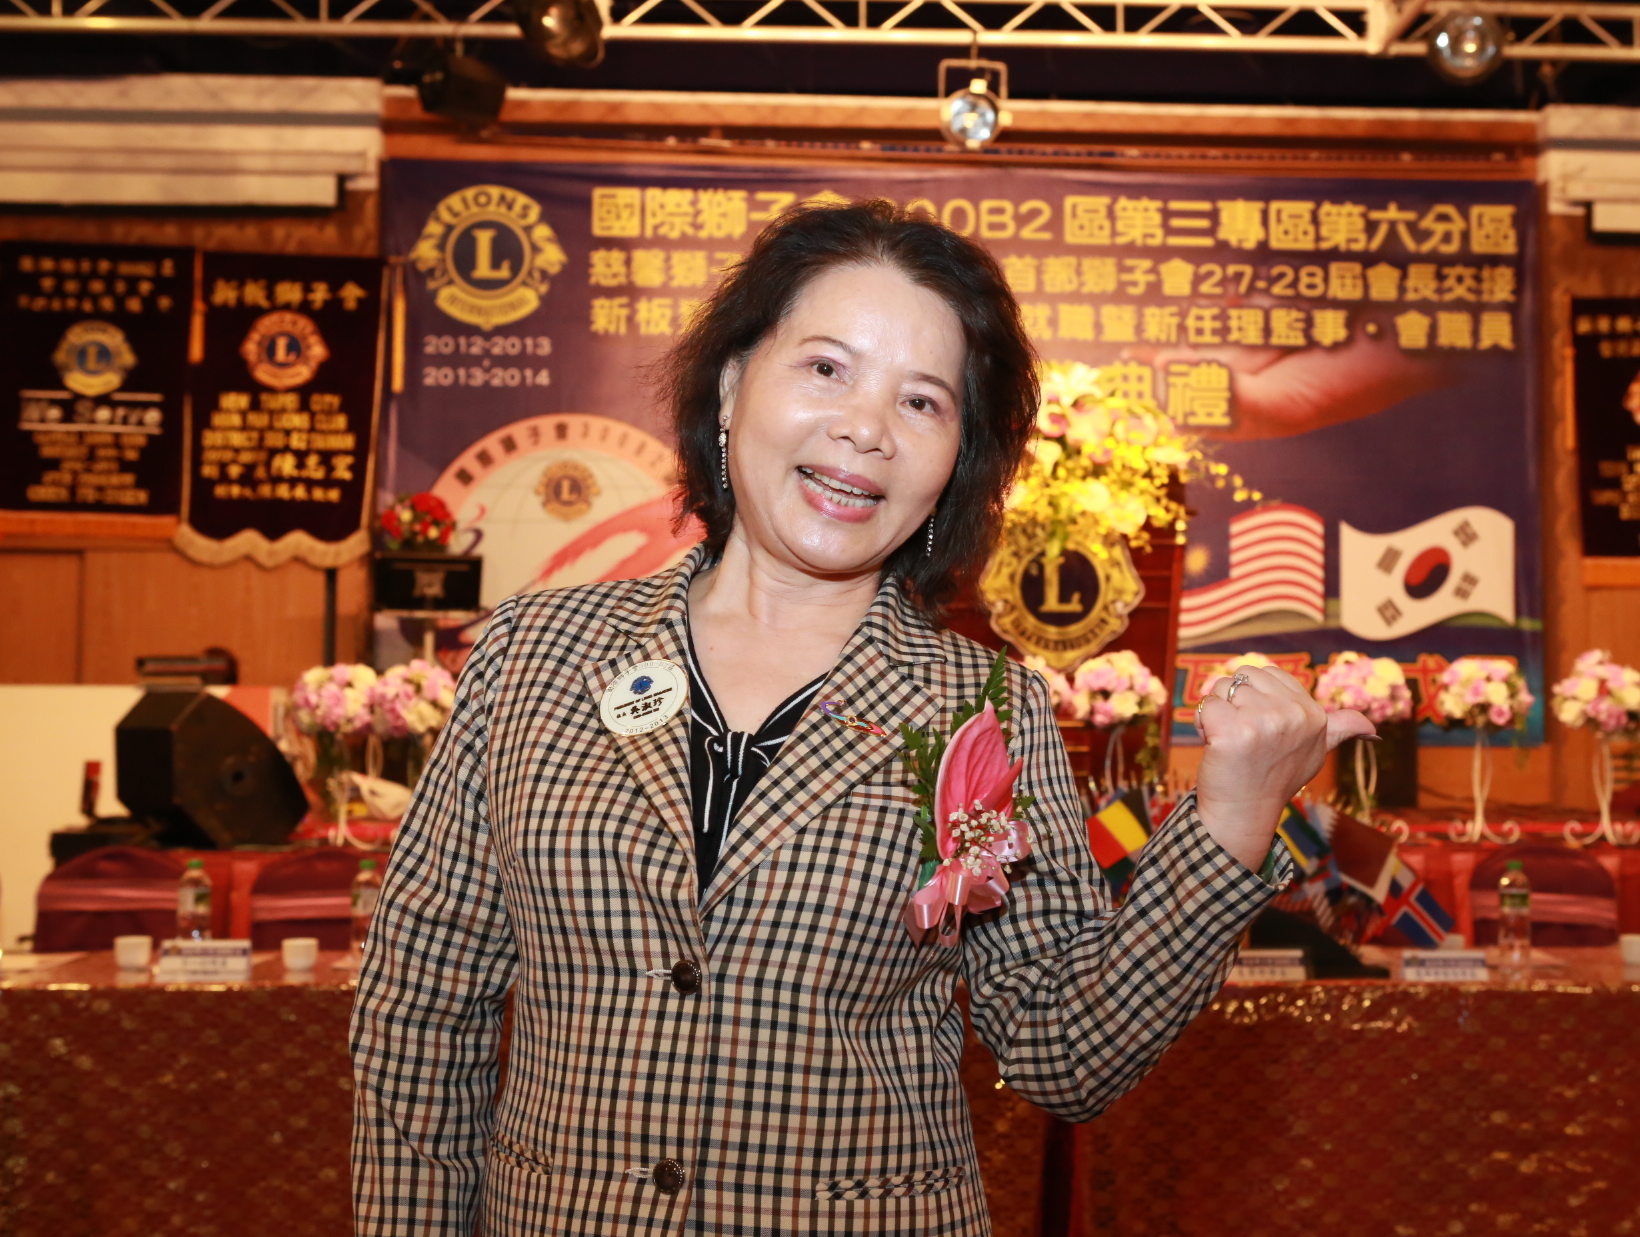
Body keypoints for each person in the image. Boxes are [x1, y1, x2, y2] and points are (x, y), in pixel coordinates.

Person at [350, 200, 1372, 1236]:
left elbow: (1064, 1051)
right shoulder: (537, 655)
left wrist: (1234, 819)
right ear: (734, 383)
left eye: (922, 401)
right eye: (827, 368)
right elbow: (422, 1008)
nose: (867, 428)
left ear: (958, 458)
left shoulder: (984, 709)